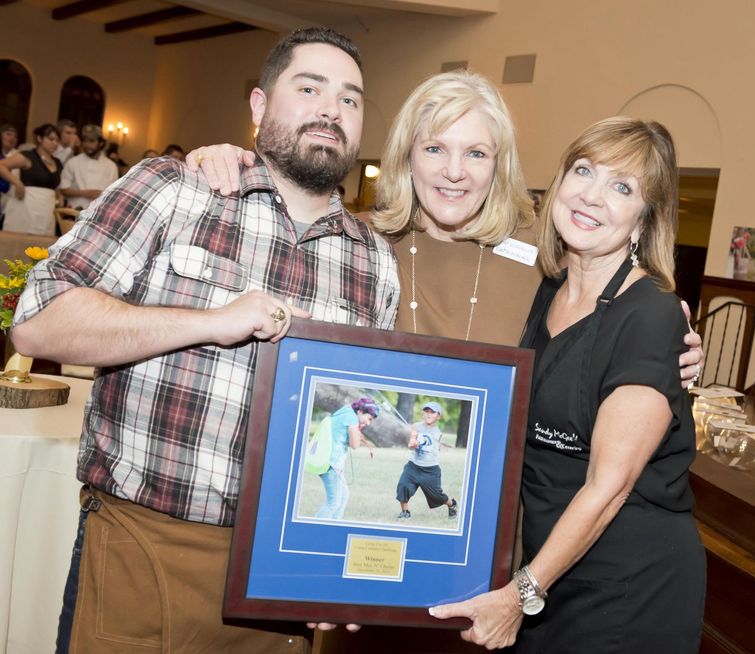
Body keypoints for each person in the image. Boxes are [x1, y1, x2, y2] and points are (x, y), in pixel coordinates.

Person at [191, 70, 705, 652]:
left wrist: (676, 346)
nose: (454, 170)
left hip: (507, 578)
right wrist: (227, 156)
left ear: (500, 163)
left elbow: (619, 323)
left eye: (476, 152)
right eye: (435, 147)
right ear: (406, 155)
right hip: (372, 570)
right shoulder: (355, 243)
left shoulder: (538, 254)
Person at [10, 27, 397, 653]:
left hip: (279, 577)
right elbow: (37, 318)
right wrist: (211, 321)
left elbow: (355, 415)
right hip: (146, 549)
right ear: (259, 105)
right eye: (309, 88)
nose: (332, 108)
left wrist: (338, 565)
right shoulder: (175, 190)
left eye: (351, 99)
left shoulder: (374, 260)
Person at [428, 117, 706, 652]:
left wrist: (519, 594)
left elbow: (609, 488)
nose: (592, 197)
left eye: (622, 188)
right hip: (547, 572)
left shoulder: (650, 315)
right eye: (585, 171)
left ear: (644, 221)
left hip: (626, 587)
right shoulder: (545, 289)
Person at [395, 401, 457, 520]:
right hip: (413, 466)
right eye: (426, 411)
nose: (428, 414)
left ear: (438, 416)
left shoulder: (437, 433)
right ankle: (405, 512)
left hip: (430, 470)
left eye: (432, 412)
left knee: (437, 496)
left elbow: (426, 444)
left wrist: (417, 442)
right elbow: (412, 441)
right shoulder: (416, 426)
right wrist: (412, 442)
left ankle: (452, 504)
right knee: (403, 486)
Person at [318, 397, 378, 519]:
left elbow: (353, 435)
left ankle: (333, 528)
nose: (368, 423)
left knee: (344, 496)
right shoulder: (351, 418)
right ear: (360, 411)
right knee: (333, 503)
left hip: (330, 462)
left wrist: (368, 445)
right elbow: (355, 445)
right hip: (331, 464)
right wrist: (358, 427)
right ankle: (313, 531)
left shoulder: (346, 411)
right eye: (369, 418)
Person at [0, 123, 63, 235]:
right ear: (40, 138)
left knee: (42, 244)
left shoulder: (57, 162)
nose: (55, 143)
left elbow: (53, 185)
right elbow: (1, 166)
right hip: (26, 206)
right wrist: (17, 183)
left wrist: (59, 195)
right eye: (51, 139)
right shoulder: (28, 156)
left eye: (57, 140)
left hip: (46, 210)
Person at [60, 125, 119, 211]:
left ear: (101, 143)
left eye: (91, 141)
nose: (87, 145)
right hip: (75, 212)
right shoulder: (73, 162)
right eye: (85, 141)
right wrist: (84, 193)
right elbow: (63, 189)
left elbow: (114, 194)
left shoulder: (111, 166)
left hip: (99, 213)